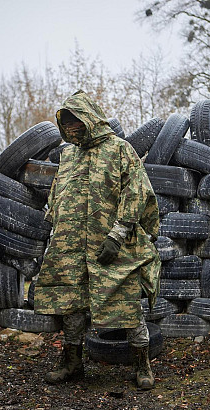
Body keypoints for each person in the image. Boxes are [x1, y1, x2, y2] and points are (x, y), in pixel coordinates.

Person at [34, 90, 161, 390]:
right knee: (72, 306)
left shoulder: (119, 150)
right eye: (66, 124)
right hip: (72, 249)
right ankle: (72, 361)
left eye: (75, 121)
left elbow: (137, 193)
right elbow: (58, 198)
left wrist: (117, 236)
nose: (70, 128)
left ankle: (142, 364)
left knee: (128, 304)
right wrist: (54, 235)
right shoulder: (68, 156)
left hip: (113, 248)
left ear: (89, 118)